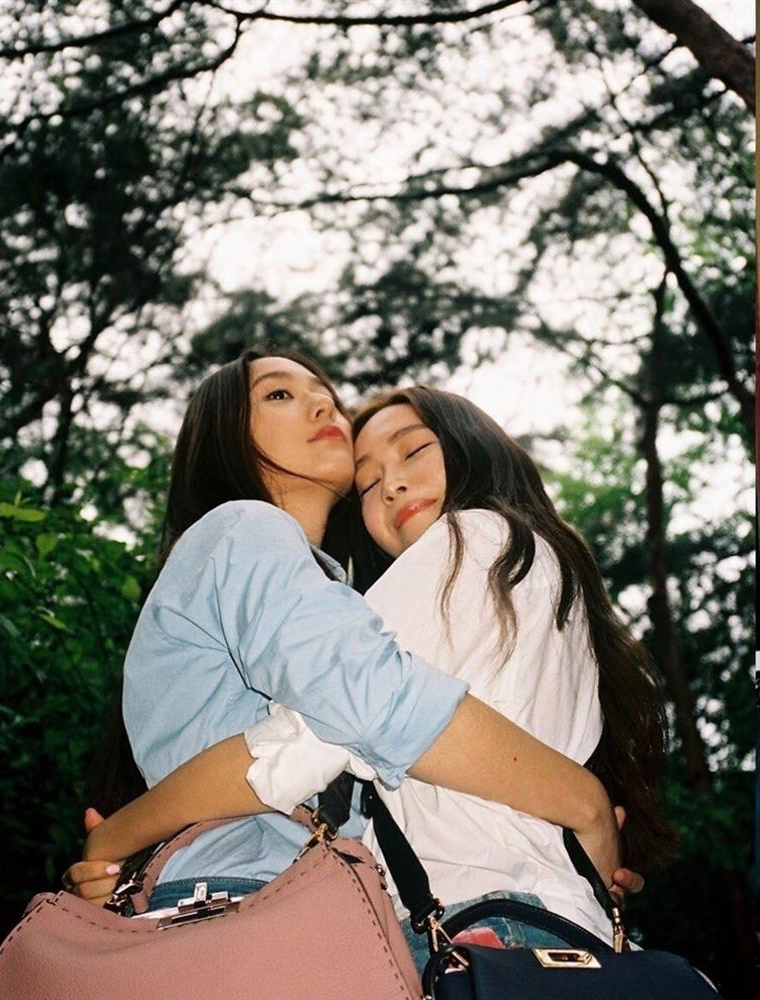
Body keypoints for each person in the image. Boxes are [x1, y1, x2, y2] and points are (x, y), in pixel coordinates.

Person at [64, 350, 648, 958]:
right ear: (224, 435)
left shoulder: (352, 591)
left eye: (326, 393)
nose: (323, 404)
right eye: (279, 394)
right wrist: (579, 803)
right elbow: (361, 712)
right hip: (247, 905)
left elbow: (347, 740)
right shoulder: (244, 529)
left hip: (330, 911)